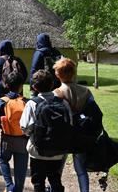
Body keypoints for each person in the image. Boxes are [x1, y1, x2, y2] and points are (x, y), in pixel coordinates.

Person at [53, 58, 102, 192]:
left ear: (57, 74)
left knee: (57, 170)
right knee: (81, 171)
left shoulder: (56, 94)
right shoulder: (86, 91)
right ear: (74, 73)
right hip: (82, 134)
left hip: (63, 136)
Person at [20, 70, 70, 192]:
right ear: (52, 84)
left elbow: (25, 127)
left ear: (34, 87)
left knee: (38, 182)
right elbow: (70, 124)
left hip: (38, 150)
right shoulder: (63, 103)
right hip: (58, 150)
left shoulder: (32, 103)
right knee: (55, 180)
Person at [0, 72, 29, 192]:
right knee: (21, 168)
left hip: (7, 138)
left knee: (3, 159)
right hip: (23, 140)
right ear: (21, 86)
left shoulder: (2, 101)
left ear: (6, 85)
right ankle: (18, 190)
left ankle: (9, 186)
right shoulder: (26, 102)